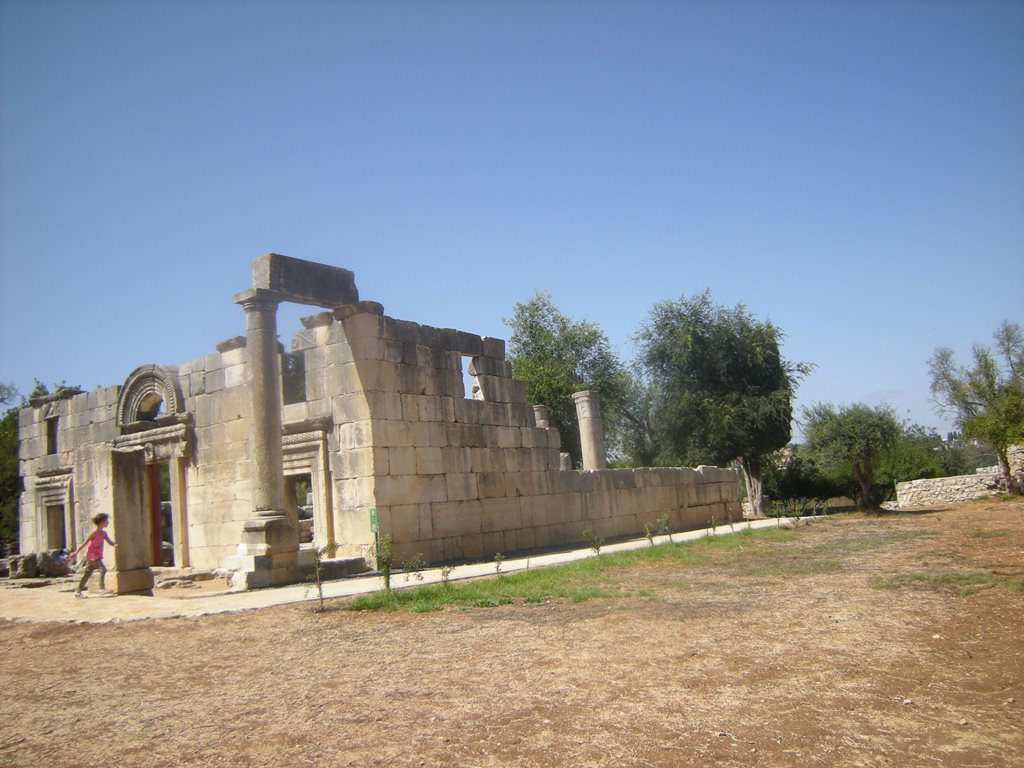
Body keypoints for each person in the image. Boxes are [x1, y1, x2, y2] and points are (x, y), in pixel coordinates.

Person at [70, 513, 116, 597]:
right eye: (106, 521)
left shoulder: (104, 533)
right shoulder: (94, 533)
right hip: (91, 555)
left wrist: (115, 544)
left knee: (87, 574)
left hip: (97, 555)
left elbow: (109, 542)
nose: (107, 523)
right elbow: (85, 543)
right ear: (101, 522)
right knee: (103, 569)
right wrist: (76, 552)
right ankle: (101, 588)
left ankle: (78, 591)